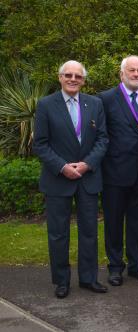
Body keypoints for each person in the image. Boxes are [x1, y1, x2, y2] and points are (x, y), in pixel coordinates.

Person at [33, 60, 108, 298]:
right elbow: (40, 144)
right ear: (60, 77)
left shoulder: (95, 104)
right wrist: (62, 167)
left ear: (83, 80)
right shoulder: (46, 105)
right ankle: (62, 281)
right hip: (58, 179)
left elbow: (103, 139)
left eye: (78, 76)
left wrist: (87, 164)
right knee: (58, 233)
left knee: (89, 232)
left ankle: (88, 279)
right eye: (68, 75)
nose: (73, 79)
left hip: (87, 178)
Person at [99, 55, 138, 286]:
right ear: (122, 74)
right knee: (113, 222)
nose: (136, 74)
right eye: (132, 70)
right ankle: (115, 267)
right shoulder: (105, 99)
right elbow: (101, 134)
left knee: (136, 222)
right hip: (114, 172)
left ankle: (136, 265)